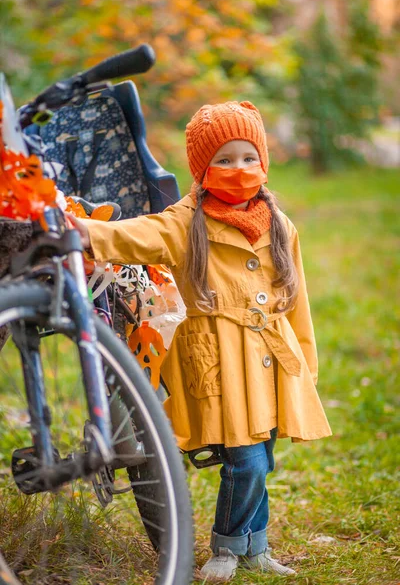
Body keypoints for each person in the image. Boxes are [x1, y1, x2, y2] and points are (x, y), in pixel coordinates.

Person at [68, 101, 332, 582]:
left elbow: (298, 302)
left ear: (264, 161)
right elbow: (137, 234)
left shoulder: (279, 225)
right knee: (246, 462)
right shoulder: (185, 223)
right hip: (223, 368)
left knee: (262, 459)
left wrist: (306, 369)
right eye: (224, 160)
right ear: (202, 169)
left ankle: (256, 547)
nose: (239, 169)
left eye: (248, 157)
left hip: (273, 364)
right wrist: (85, 231)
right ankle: (226, 548)